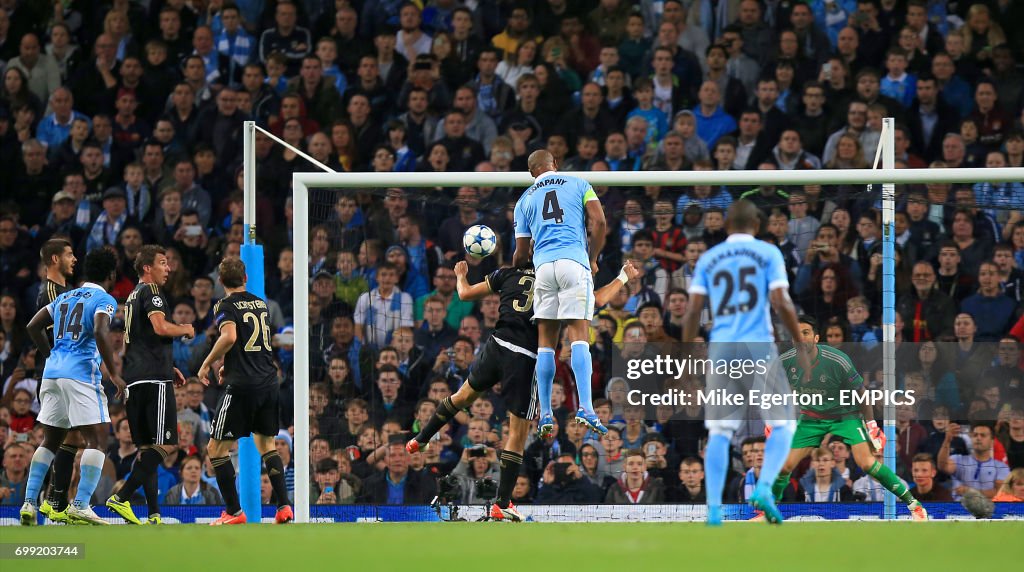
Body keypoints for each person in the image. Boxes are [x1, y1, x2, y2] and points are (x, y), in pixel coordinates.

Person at [408, 258, 638, 521]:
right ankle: (502, 503)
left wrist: (461, 274)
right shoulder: (558, 280)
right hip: (525, 357)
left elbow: (464, 293)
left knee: (461, 396)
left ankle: (420, 438)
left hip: (495, 345)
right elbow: (596, 300)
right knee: (517, 434)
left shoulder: (507, 273)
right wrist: (623, 277)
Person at [681, 199, 811, 525]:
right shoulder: (768, 253)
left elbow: (694, 309)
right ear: (757, 225)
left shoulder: (709, 258)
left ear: (726, 225)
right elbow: (781, 302)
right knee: (783, 424)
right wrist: (799, 345)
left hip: (723, 347)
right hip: (759, 346)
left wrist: (684, 354)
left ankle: (713, 509)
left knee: (721, 432)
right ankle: (765, 487)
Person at [769, 315, 928, 519]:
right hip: (811, 418)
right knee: (784, 466)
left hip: (845, 416)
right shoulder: (785, 362)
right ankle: (768, 511)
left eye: (805, 333)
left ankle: (914, 505)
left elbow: (861, 394)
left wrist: (871, 426)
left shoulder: (837, 360)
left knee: (866, 463)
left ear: (816, 338)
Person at [21, 248, 125, 526]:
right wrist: (114, 373)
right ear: (111, 275)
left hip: (52, 374)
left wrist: (51, 353)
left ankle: (30, 502)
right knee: (98, 441)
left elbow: (33, 326)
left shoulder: (65, 296)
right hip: (80, 375)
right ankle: (80, 504)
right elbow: (102, 330)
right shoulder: (104, 299)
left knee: (51, 440)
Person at [511, 150, 609, 437]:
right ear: (555, 165)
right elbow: (600, 222)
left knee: (546, 344)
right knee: (578, 336)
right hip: (573, 263)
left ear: (532, 172)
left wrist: (521, 263)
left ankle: (545, 413)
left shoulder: (524, 200)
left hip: (543, 269)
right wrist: (592, 258)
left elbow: (519, 253)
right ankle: (587, 408)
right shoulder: (579, 183)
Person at [195, 258, 293, 525]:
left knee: (215, 449)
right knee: (267, 445)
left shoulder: (224, 305)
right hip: (268, 381)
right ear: (245, 278)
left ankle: (234, 513)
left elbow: (230, 337)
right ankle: (283, 506)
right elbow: (255, 342)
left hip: (242, 386)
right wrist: (230, 363)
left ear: (220, 281)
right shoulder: (260, 304)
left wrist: (207, 363)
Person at [105, 245, 195, 525]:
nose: (168, 268)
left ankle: (154, 513)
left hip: (137, 378)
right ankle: (122, 497)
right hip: (153, 379)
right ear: (148, 268)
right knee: (166, 445)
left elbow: (141, 340)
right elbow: (160, 328)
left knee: (147, 449)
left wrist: (169, 366)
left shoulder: (132, 296)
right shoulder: (152, 292)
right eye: (163, 263)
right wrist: (186, 329)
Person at [31, 238, 82, 523]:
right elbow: (52, 333)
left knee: (70, 436)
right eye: (69, 254)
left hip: (67, 373)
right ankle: (44, 500)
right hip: (60, 375)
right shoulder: (52, 292)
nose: (74, 259)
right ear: (54, 260)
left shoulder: (67, 291)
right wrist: (53, 358)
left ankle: (56, 501)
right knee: (58, 437)